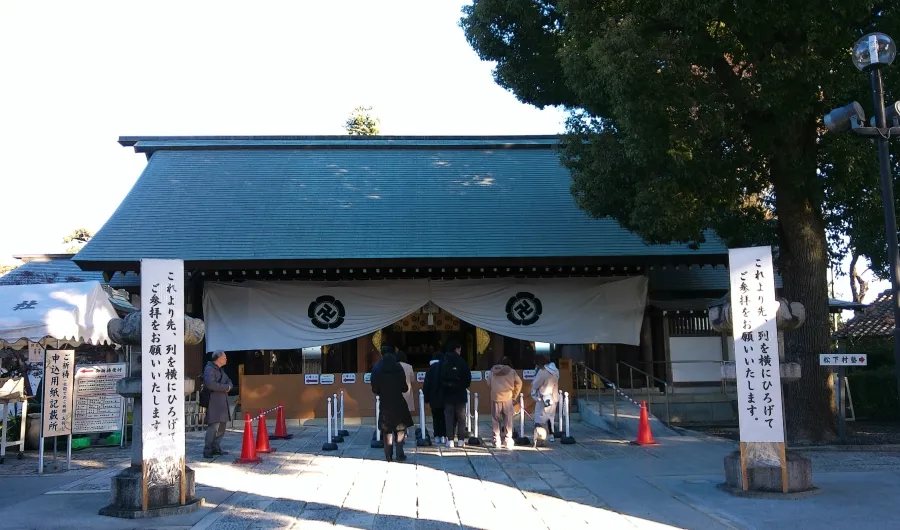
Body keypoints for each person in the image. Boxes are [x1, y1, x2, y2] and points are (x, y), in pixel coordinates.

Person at [371, 353, 413, 462]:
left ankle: (388, 455)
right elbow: (404, 387)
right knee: (400, 429)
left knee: (387, 430)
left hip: (385, 403)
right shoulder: (398, 367)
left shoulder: (377, 369)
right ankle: (400, 454)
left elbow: (375, 389)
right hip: (398, 402)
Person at [440, 342, 471, 448]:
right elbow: (468, 380)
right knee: (461, 417)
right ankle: (461, 440)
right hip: (460, 394)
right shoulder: (463, 362)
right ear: (457, 349)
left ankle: (450, 440)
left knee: (449, 417)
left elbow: (440, 378)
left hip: (448, 395)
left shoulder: (444, 362)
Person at [202, 350, 233, 458]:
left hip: (222, 400)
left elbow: (229, 380)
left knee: (222, 425)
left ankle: (216, 447)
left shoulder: (220, 370)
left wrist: (228, 386)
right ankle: (208, 449)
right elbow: (211, 384)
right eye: (224, 357)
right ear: (218, 358)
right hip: (213, 400)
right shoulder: (209, 369)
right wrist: (226, 387)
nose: (226, 359)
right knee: (213, 426)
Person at [489, 356, 522, 449]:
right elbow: (519, 382)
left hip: (495, 397)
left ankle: (496, 440)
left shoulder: (493, 371)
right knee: (508, 420)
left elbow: (488, 383)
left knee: (495, 419)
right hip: (507, 397)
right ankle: (508, 440)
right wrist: (514, 394)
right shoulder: (511, 371)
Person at [530, 354, 560, 442]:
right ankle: (551, 435)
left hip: (543, 398)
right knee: (550, 417)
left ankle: (538, 437)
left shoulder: (542, 371)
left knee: (539, 417)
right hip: (553, 397)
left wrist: (534, 393)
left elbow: (536, 384)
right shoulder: (555, 371)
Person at [422, 352, 446, 443]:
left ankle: (436, 435)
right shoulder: (444, 368)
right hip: (444, 397)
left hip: (433, 398)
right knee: (443, 417)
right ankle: (443, 435)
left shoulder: (430, 370)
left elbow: (426, 386)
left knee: (435, 417)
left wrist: (426, 398)